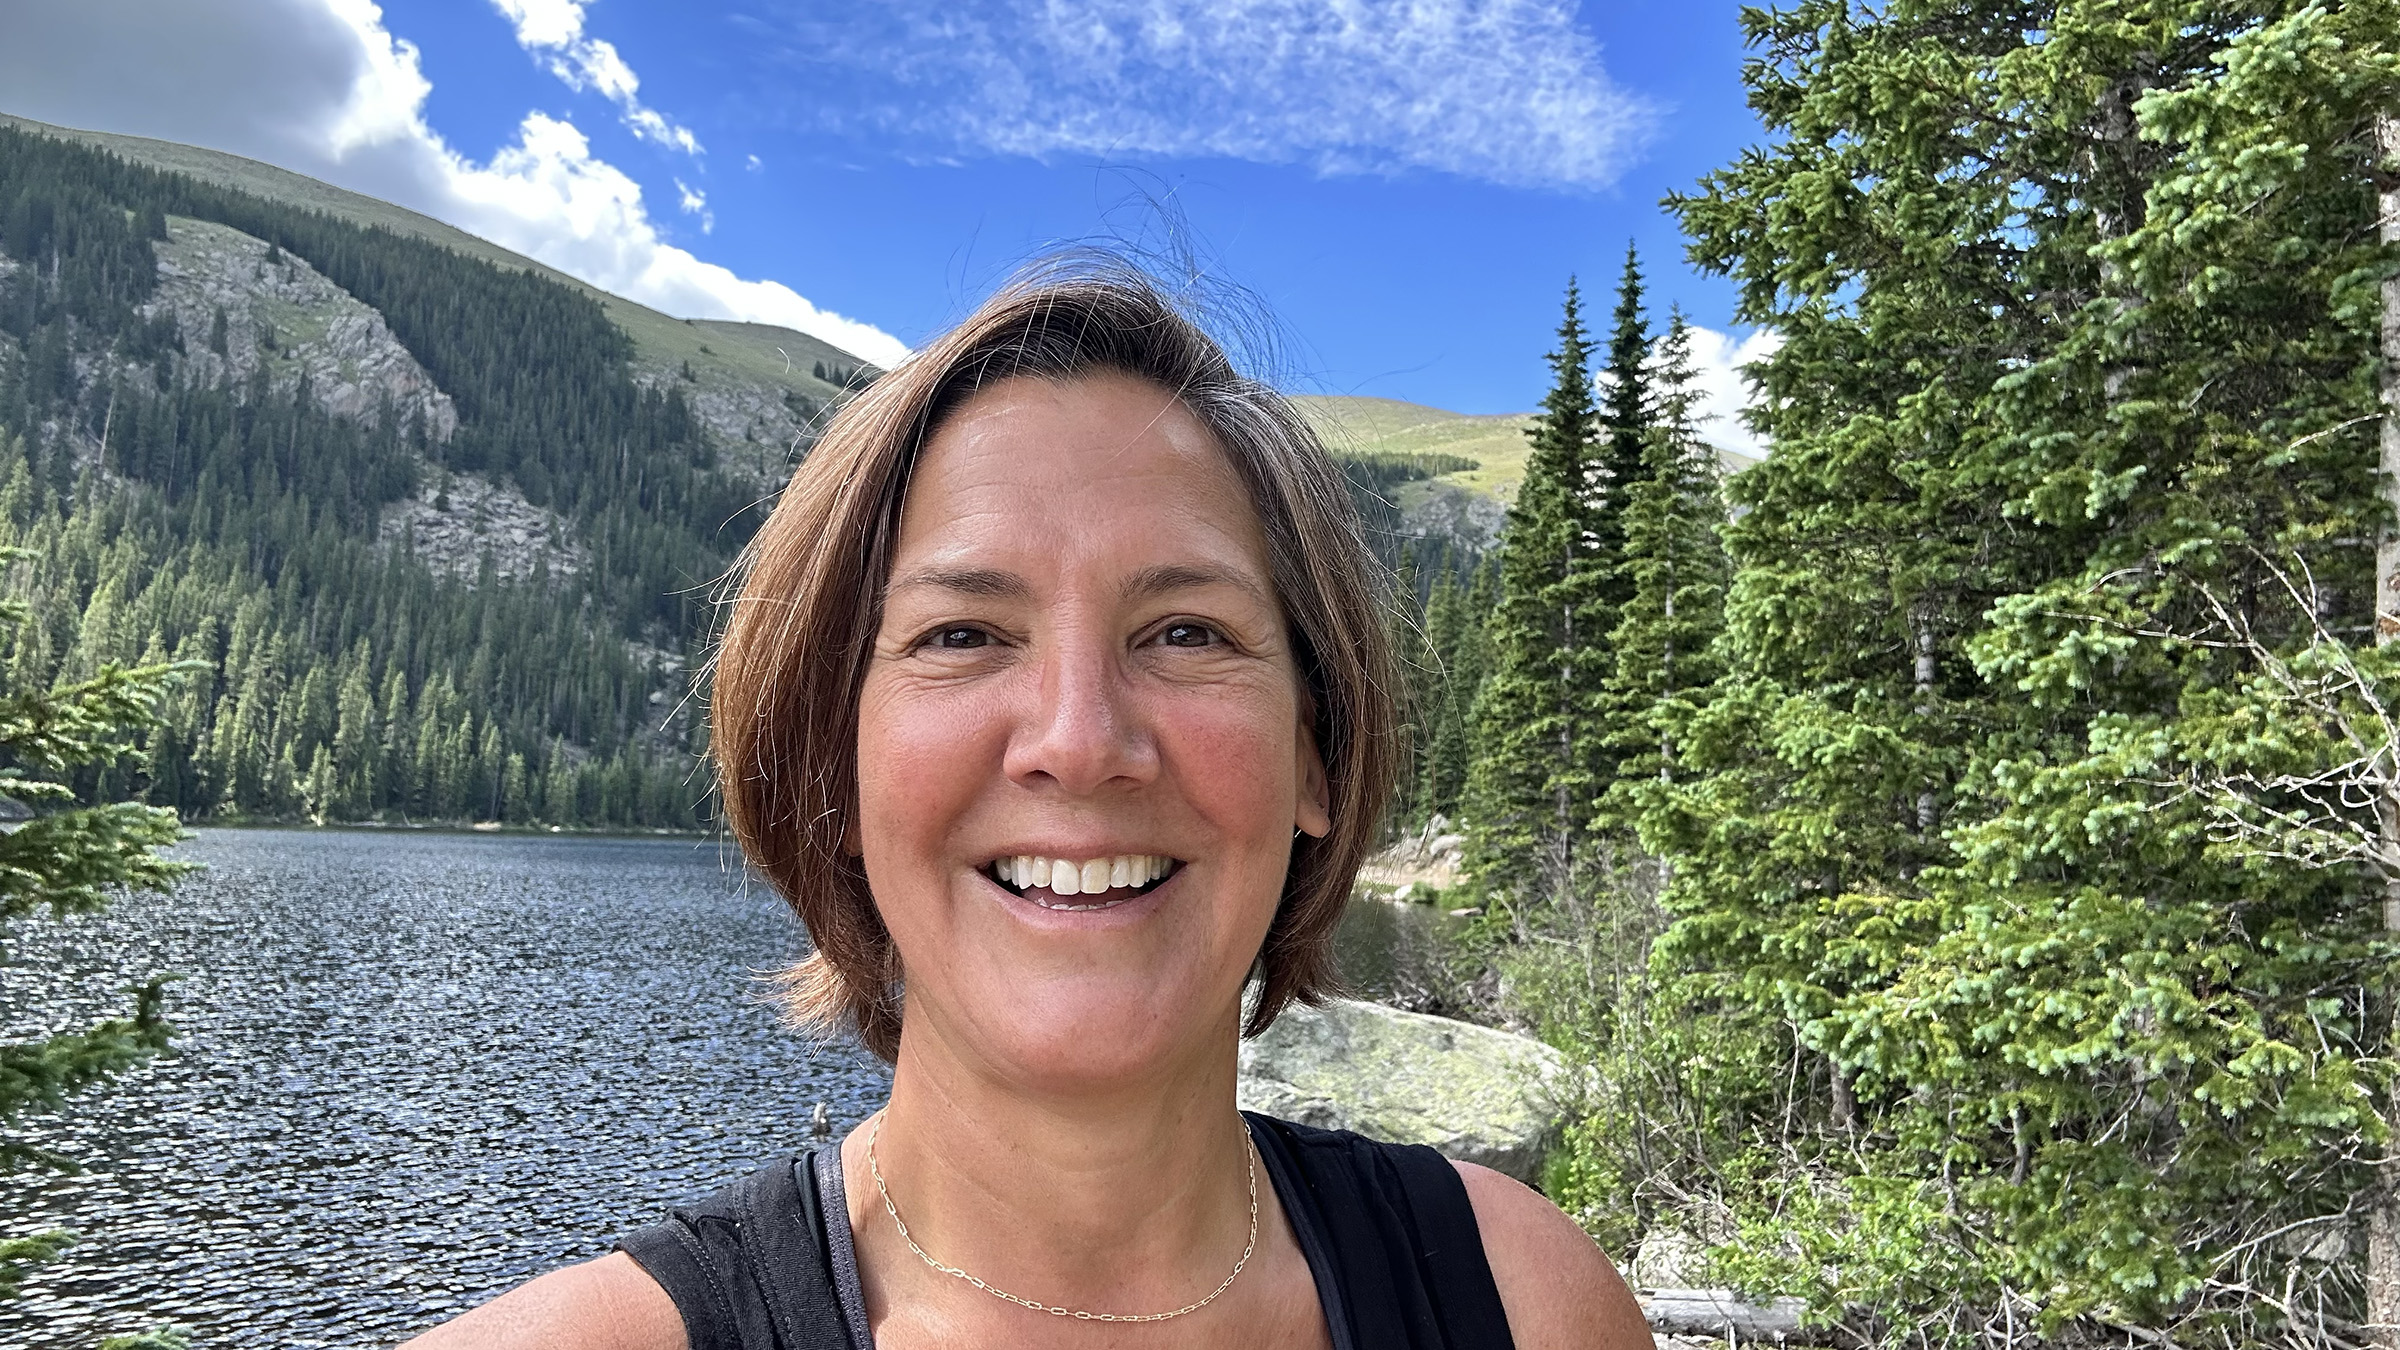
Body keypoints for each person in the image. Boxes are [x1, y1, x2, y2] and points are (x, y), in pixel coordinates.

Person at [403, 263, 1653, 1350]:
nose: (1078, 741)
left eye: (1183, 631)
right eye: (964, 634)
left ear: (1314, 759)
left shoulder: (1527, 1306)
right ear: (832, 767)